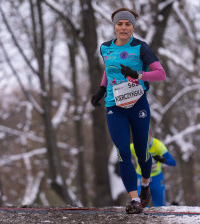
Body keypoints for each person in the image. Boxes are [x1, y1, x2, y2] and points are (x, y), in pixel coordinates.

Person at [91, 7, 166, 214]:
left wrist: (138, 74)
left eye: (127, 24)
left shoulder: (141, 48)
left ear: (133, 27)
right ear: (114, 26)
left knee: (142, 152)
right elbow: (109, 70)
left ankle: (145, 184)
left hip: (137, 105)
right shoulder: (105, 48)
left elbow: (160, 74)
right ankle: (134, 200)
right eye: (119, 23)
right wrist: (102, 89)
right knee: (123, 152)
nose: (123, 27)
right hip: (115, 106)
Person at [130, 130, 176, 207]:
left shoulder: (158, 145)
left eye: (146, 136)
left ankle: (161, 218)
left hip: (156, 177)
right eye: (141, 137)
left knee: (160, 205)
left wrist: (162, 159)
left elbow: (173, 162)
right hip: (141, 177)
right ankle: (142, 218)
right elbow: (121, 152)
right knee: (141, 205)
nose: (144, 139)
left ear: (150, 135)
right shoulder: (135, 145)